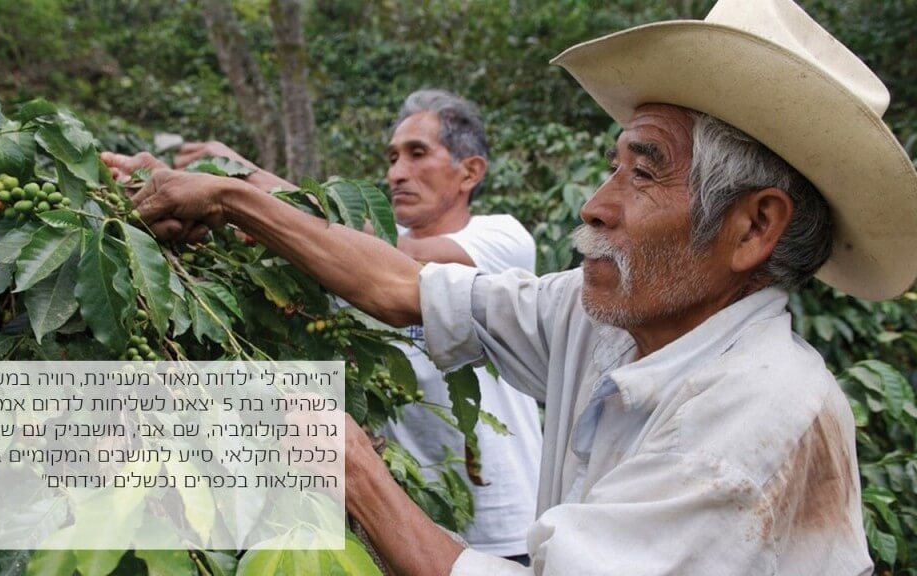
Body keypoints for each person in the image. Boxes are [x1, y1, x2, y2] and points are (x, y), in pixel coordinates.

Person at [106, 0, 917, 573]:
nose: (596, 206)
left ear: (752, 228)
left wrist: (349, 466)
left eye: (643, 171)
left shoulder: (758, 422)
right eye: (612, 164)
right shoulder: (607, 314)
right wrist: (232, 197)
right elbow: (406, 287)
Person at [107, 90, 544, 562]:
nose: (397, 173)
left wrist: (236, 177)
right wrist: (164, 190)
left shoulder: (500, 239)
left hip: (511, 529)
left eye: (418, 154)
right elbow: (297, 240)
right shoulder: (343, 266)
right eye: (393, 157)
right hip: (408, 524)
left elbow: (391, 262)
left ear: (470, 172)